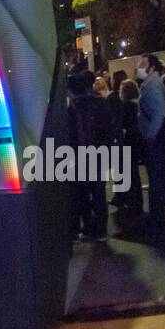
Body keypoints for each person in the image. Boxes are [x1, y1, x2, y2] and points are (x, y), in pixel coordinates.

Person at [69, 70, 110, 240]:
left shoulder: (73, 107)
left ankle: (87, 227)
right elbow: (107, 129)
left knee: (81, 193)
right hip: (98, 153)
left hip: (79, 155)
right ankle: (101, 229)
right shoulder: (101, 103)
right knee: (99, 192)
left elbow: (71, 134)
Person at [136, 53, 165, 239]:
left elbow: (160, 113)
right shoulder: (151, 84)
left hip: (155, 141)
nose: (139, 67)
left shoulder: (153, 86)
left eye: (142, 64)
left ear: (152, 67)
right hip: (155, 139)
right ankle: (157, 215)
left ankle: (158, 218)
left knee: (157, 180)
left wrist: (150, 135)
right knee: (157, 179)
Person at [114, 78, 143, 214]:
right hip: (135, 141)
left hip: (126, 142)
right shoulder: (137, 105)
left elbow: (121, 125)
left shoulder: (126, 107)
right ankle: (136, 201)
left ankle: (130, 200)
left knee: (127, 171)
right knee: (133, 172)